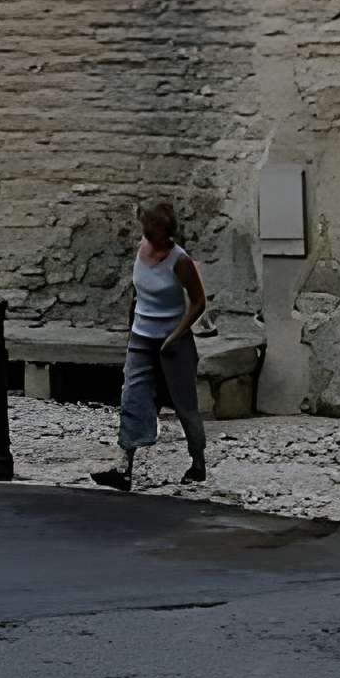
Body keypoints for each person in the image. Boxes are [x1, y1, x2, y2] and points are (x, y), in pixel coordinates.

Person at [91, 200, 207, 491]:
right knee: (132, 397)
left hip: (172, 342)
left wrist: (175, 335)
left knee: (184, 404)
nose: (148, 233)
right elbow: (138, 291)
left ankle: (198, 463)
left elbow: (198, 302)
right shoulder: (142, 248)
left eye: (152, 229)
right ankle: (124, 467)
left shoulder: (179, 260)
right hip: (141, 337)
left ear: (164, 231)